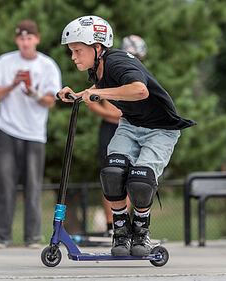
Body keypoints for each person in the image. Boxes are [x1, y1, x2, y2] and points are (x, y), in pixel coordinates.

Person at [59, 15, 196, 256]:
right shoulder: (97, 68)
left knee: (141, 180)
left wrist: (98, 94)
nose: (73, 56)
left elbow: (139, 90)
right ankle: (121, 231)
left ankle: (141, 231)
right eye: (72, 51)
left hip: (160, 129)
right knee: (112, 171)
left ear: (97, 47)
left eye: (78, 50)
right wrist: (76, 94)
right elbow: (97, 92)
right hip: (130, 125)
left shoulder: (118, 61)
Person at [0, 19, 61, 249]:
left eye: (29, 38)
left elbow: (51, 101)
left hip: (35, 132)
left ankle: (32, 236)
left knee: (33, 185)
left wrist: (34, 94)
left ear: (36, 39)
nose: (25, 42)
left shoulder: (48, 65)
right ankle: (1, 236)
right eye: (21, 38)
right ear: (16, 40)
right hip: (7, 129)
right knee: (5, 183)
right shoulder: (5, 61)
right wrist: (13, 84)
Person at [87, 34, 147, 235]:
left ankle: (128, 223)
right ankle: (111, 224)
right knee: (110, 175)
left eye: (137, 57)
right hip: (111, 127)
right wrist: (110, 115)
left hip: (133, 127)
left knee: (133, 176)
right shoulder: (110, 72)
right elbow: (91, 98)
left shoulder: (137, 75)